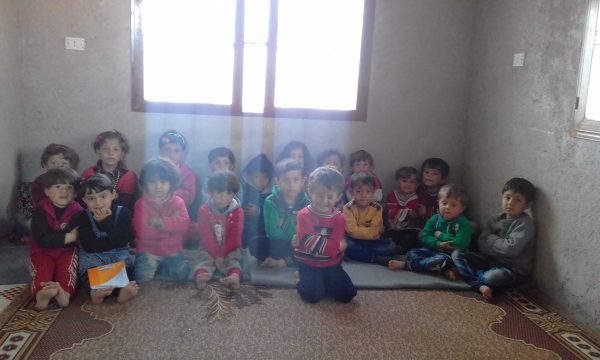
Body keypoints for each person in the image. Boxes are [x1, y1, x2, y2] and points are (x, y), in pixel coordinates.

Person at [451, 178, 536, 300]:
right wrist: (497, 244)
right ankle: (478, 282)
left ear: (527, 205)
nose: (510, 203)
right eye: (507, 197)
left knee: (492, 277)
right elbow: (482, 245)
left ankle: (467, 274)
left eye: (518, 200)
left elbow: (510, 250)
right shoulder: (494, 219)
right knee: (457, 254)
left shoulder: (525, 224)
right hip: (491, 261)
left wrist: (491, 239)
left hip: (513, 269)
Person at [294, 166, 357, 303]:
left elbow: (327, 248)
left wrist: (332, 246)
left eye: (329, 196)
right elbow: (311, 244)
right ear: (310, 193)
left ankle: (324, 282)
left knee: (348, 294)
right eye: (320, 195)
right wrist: (337, 246)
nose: (324, 200)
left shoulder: (339, 218)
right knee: (313, 296)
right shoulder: (304, 215)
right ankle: (301, 277)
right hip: (309, 263)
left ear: (338, 197)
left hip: (332, 264)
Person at [77, 173, 138, 304]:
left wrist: (106, 222)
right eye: (91, 198)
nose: (98, 203)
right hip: (93, 259)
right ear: (84, 200)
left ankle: (122, 292)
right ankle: (96, 293)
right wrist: (113, 242)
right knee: (89, 276)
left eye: (103, 196)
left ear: (113, 194)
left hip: (118, 258)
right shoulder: (83, 217)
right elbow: (89, 246)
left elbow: (124, 239)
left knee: (129, 272)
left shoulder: (124, 213)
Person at [389, 184, 471, 278]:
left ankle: (407, 265)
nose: (447, 207)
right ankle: (442, 270)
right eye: (444, 203)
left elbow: (461, 243)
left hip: (450, 256)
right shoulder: (435, 219)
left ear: (462, 209)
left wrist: (440, 235)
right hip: (434, 250)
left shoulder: (463, 223)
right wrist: (438, 244)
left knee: (440, 260)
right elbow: (424, 236)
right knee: (413, 253)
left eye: (453, 205)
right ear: (438, 203)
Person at [29, 167, 83, 310]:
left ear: (75, 193)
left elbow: (79, 235)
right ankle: (41, 295)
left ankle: (63, 293)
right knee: (42, 270)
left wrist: (71, 238)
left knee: (67, 270)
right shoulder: (40, 211)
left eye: (69, 187)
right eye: (58, 186)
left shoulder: (78, 212)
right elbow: (41, 238)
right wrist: (69, 236)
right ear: (47, 191)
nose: (64, 191)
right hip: (42, 251)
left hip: (67, 251)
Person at [134, 158, 190, 283]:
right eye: (152, 182)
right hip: (149, 251)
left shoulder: (178, 202)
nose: (158, 186)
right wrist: (171, 228)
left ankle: (162, 266)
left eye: (163, 181)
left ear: (171, 183)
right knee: (141, 277)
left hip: (173, 249)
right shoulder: (140, 204)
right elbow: (142, 232)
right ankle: (159, 266)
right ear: (145, 183)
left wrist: (160, 222)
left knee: (183, 275)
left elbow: (184, 224)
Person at [14, 144, 80, 244]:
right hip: (45, 215)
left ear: (71, 166)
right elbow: (39, 203)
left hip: (68, 215)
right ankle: (30, 236)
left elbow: (79, 197)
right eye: (54, 163)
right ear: (45, 166)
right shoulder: (40, 181)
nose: (59, 167)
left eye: (64, 164)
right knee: (22, 220)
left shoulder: (74, 179)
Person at [194, 171, 244, 290]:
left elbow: (234, 237)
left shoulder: (237, 211)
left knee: (234, 259)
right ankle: (201, 275)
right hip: (209, 246)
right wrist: (216, 255)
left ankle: (234, 276)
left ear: (234, 194)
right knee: (204, 258)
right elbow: (206, 236)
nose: (223, 197)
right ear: (210, 192)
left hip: (230, 247)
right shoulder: (204, 210)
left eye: (228, 193)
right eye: (218, 192)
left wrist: (222, 254)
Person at [256, 158, 310, 267]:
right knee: (256, 243)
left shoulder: (307, 203)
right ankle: (289, 259)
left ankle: (283, 262)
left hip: (296, 244)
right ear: (278, 182)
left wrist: (283, 222)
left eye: (296, 179)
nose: (291, 185)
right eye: (286, 180)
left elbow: (304, 233)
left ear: (302, 182)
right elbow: (272, 232)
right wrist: (293, 223)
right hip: (277, 243)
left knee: (310, 247)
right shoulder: (270, 201)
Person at [344, 172, 400, 265]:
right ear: (351, 193)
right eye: (358, 191)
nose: (363, 195)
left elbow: (376, 232)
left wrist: (369, 231)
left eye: (368, 192)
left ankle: (362, 254)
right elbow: (352, 231)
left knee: (390, 246)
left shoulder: (377, 208)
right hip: (353, 240)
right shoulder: (348, 208)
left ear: (373, 193)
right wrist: (371, 231)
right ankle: (376, 259)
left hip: (372, 241)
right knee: (346, 246)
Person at [81, 130, 138, 211]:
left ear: (122, 154)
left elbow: (128, 203)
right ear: (98, 152)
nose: (110, 153)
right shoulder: (89, 172)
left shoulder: (129, 175)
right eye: (105, 149)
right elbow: (82, 199)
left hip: (119, 215)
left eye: (116, 149)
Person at [385, 166, 424, 252]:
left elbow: (414, 213)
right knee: (389, 236)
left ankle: (402, 250)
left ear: (417, 185)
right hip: (394, 227)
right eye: (404, 181)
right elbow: (389, 209)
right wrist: (404, 211)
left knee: (411, 237)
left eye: (412, 182)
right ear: (398, 182)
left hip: (409, 228)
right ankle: (393, 248)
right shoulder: (392, 195)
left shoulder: (416, 198)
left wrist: (401, 210)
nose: (408, 184)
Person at [239, 153, 274, 248]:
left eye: (265, 177)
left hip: (264, 232)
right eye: (257, 176)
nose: (262, 180)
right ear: (250, 176)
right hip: (245, 231)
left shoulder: (272, 194)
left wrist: (259, 211)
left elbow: (274, 212)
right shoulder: (244, 191)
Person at [158, 130, 197, 209]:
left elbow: (189, 198)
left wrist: (168, 192)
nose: (171, 154)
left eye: (176, 150)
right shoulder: (153, 170)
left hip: (178, 212)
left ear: (182, 154)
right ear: (160, 151)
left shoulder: (188, 175)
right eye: (167, 150)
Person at [416, 157, 449, 222]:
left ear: (442, 179)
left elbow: (446, 211)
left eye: (435, 173)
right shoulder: (418, 191)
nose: (429, 175)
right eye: (426, 172)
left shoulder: (446, 193)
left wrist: (427, 211)